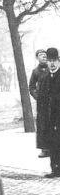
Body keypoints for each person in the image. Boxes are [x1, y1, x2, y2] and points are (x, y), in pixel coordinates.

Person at [36, 48, 60, 177]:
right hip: (49, 117)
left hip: (59, 117)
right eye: (50, 60)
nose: (52, 63)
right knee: (52, 144)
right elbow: (41, 97)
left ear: (58, 60)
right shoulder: (44, 77)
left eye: (54, 60)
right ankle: (55, 169)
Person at [30, 48, 50, 158]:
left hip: (52, 101)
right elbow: (31, 87)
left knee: (53, 124)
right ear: (37, 58)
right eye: (41, 55)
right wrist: (37, 97)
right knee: (42, 125)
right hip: (42, 103)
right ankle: (44, 149)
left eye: (45, 54)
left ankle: (54, 147)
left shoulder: (51, 68)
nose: (43, 56)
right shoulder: (35, 71)